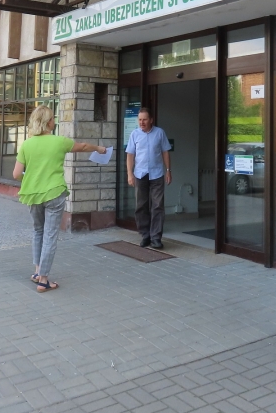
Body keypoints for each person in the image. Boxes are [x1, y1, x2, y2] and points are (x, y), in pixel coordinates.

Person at [13, 105, 107, 292]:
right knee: (50, 235)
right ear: (48, 122)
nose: (54, 121)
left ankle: (37, 272)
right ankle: (44, 280)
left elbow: (16, 174)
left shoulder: (27, 144)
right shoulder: (59, 141)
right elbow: (83, 147)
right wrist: (99, 148)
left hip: (32, 194)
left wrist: (31, 179)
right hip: (54, 193)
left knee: (38, 231)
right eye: (52, 118)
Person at [126, 107, 171, 249]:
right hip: (140, 174)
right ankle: (145, 235)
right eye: (140, 119)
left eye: (144, 119)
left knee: (158, 206)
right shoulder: (134, 134)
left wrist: (168, 170)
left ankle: (156, 237)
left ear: (151, 120)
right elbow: (130, 155)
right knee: (141, 206)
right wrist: (129, 174)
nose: (142, 122)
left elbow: (165, 152)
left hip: (157, 174)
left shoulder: (159, 133)